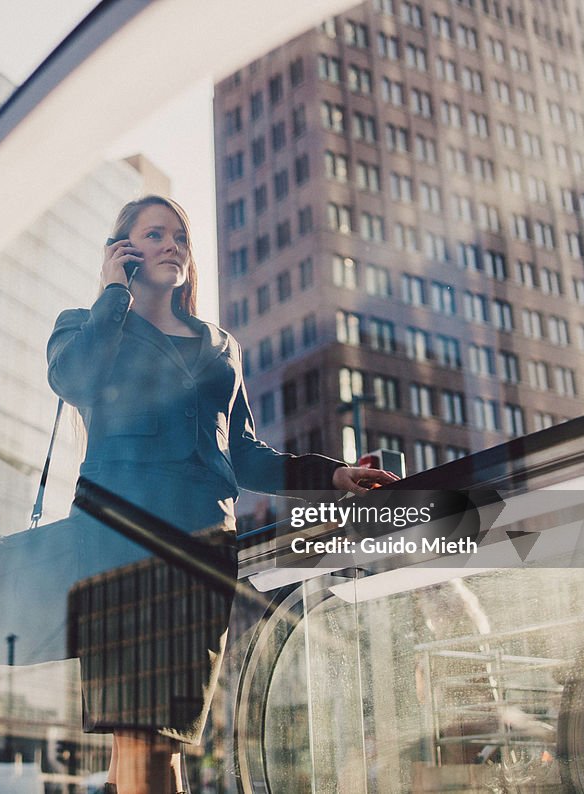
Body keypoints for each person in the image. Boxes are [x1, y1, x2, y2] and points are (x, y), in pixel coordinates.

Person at [47, 196, 398, 794]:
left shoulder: (219, 345)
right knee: (138, 735)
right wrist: (113, 293)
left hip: (204, 544)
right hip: (119, 540)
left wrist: (332, 475)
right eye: (153, 235)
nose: (171, 246)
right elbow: (72, 379)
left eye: (179, 236)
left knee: (169, 735)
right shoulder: (87, 323)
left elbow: (243, 454)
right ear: (123, 250)